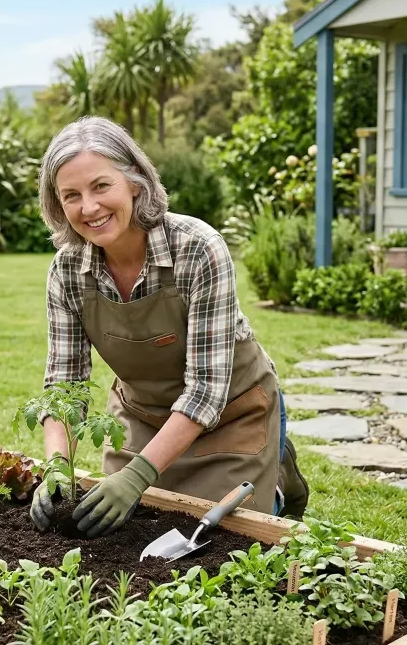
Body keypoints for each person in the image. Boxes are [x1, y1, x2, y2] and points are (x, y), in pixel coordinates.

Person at [29, 116, 308, 538]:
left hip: (230, 416)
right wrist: (55, 467)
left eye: (101, 186)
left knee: (218, 538)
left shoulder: (198, 249)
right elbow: (64, 385)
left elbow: (205, 392)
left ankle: (276, 477)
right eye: (71, 195)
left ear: (135, 183)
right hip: (141, 417)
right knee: (118, 532)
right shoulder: (67, 271)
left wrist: (137, 476)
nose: (89, 207)